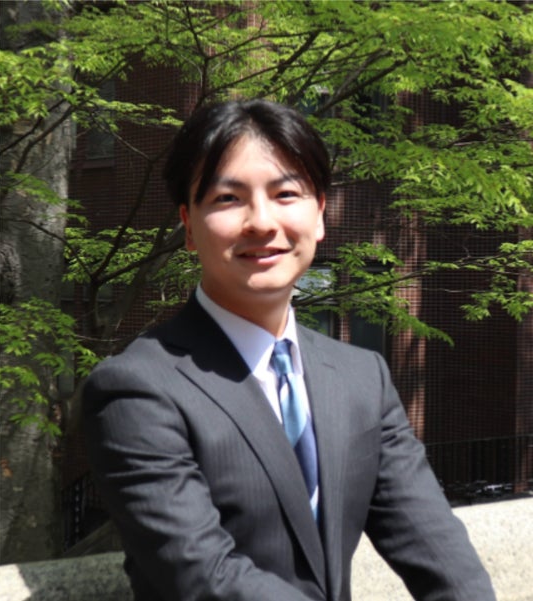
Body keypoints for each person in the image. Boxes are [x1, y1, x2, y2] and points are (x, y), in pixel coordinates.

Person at [82, 99, 496, 601]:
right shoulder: (137, 388)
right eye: (228, 199)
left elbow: (435, 545)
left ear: (319, 214)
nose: (262, 221)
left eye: (285, 194)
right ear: (189, 226)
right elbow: (201, 575)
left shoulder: (361, 376)